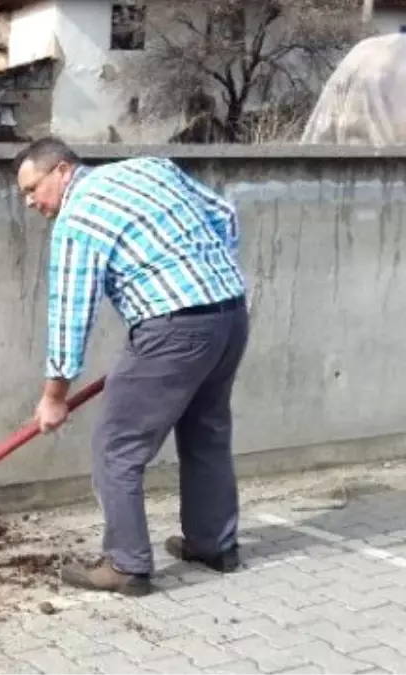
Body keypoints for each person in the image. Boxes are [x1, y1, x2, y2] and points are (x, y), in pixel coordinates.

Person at [14, 137, 249, 597]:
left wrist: (54, 398)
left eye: (32, 189)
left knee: (116, 446)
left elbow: (70, 315)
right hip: (229, 313)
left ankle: (126, 564)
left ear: (62, 170)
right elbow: (224, 214)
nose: (30, 203)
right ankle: (214, 545)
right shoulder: (149, 169)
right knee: (207, 431)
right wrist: (201, 279)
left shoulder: (77, 218)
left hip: (174, 328)